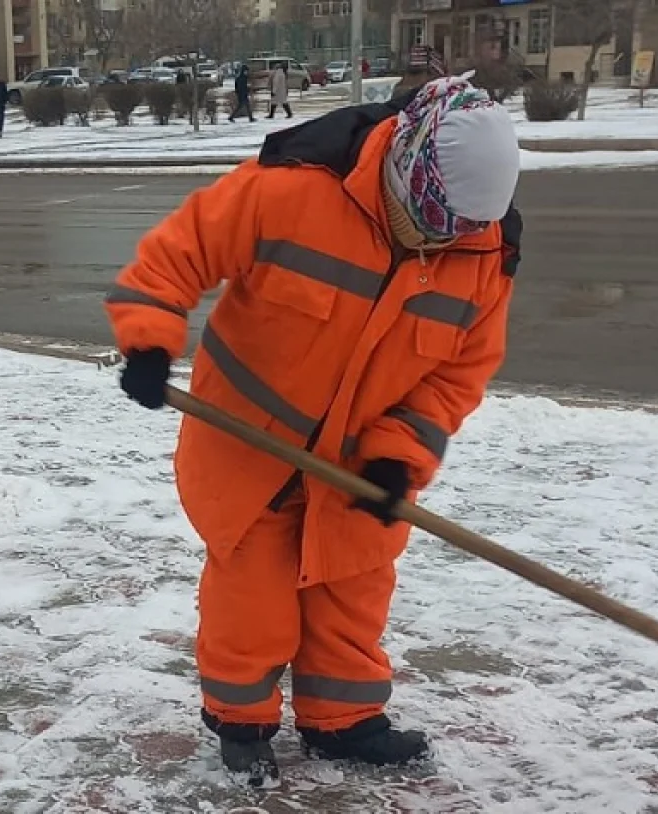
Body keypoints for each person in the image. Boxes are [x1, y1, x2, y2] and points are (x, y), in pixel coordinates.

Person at [103, 74, 522, 784]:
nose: (435, 236)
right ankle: (241, 723)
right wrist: (147, 338)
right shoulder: (292, 190)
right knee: (253, 603)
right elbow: (178, 253)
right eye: (428, 214)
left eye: (458, 227)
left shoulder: (484, 258)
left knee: (352, 594)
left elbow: (454, 376)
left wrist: (399, 458)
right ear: (405, 158)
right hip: (247, 444)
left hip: (359, 465)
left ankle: (345, 723)